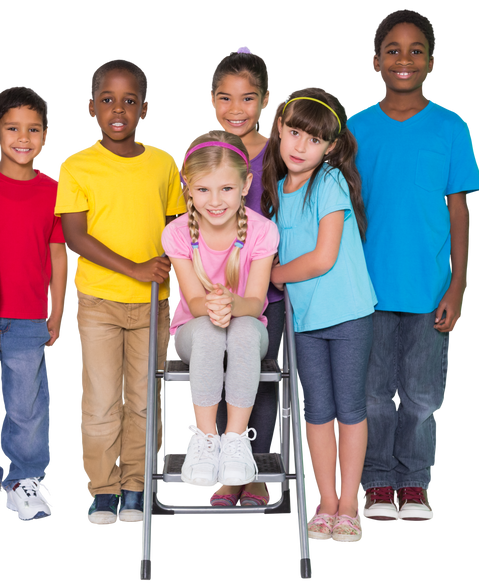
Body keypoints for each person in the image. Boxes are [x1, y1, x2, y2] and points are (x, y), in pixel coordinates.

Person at [346, 7, 479, 524]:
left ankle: (415, 485)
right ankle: (377, 481)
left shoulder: (452, 126)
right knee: (375, 395)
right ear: (374, 62)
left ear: (431, 63)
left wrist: (459, 287)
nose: (403, 60)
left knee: (424, 395)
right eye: (392, 51)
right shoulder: (354, 127)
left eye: (415, 52)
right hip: (367, 289)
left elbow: (458, 209)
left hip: (430, 288)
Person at [57, 57, 186, 527]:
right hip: (98, 302)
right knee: (102, 399)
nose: (118, 109)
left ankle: (136, 485)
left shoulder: (164, 162)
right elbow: (76, 238)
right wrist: (135, 267)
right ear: (91, 107)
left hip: (155, 303)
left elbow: (176, 231)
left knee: (143, 397)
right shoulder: (76, 165)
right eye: (107, 100)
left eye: (129, 101)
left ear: (145, 109)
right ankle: (103, 490)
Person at [262, 84, 377, 544]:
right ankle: (325, 503)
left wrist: (274, 274)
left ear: (331, 146)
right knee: (316, 412)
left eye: (313, 139)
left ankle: (350, 504)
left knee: (348, 410)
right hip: (305, 321)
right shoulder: (274, 190)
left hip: (348, 314)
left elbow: (323, 258)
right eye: (294, 133)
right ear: (280, 131)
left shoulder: (328, 182)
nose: (300, 146)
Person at [0, 84, 69, 524]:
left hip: (27, 318)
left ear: (45, 136)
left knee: (28, 403)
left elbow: (59, 254)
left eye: (34, 129)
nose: (24, 137)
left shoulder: (54, 189)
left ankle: (26, 478)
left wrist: (57, 312)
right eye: (13, 128)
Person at [162, 128, 278, 497]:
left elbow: (257, 301)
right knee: (212, 331)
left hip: (247, 325)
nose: (215, 201)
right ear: (189, 187)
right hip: (194, 330)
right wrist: (212, 307)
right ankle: (205, 439)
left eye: (226, 189)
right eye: (204, 190)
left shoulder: (262, 232)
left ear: (245, 185)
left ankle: (234, 440)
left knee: (242, 329)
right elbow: (194, 302)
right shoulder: (178, 233)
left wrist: (231, 304)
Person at [205, 43, 279, 506]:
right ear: (211, 98)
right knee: (218, 369)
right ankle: (223, 467)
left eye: (248, 98)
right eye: (226, 98)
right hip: (212, 289)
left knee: (258, 377)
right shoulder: (204, 150)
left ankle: (248, 474)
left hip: (261, 288)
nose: (237, 109)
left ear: (266, 100)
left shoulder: (278, 151)